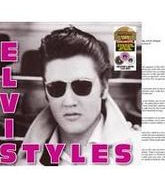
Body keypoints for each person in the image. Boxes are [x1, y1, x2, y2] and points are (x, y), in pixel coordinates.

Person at [18, 26, 140, 164]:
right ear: (46, 91)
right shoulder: (26, 162)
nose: (68, 102)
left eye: (82, 86)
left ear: (104, 87)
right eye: (56, 88)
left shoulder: (140, 153)